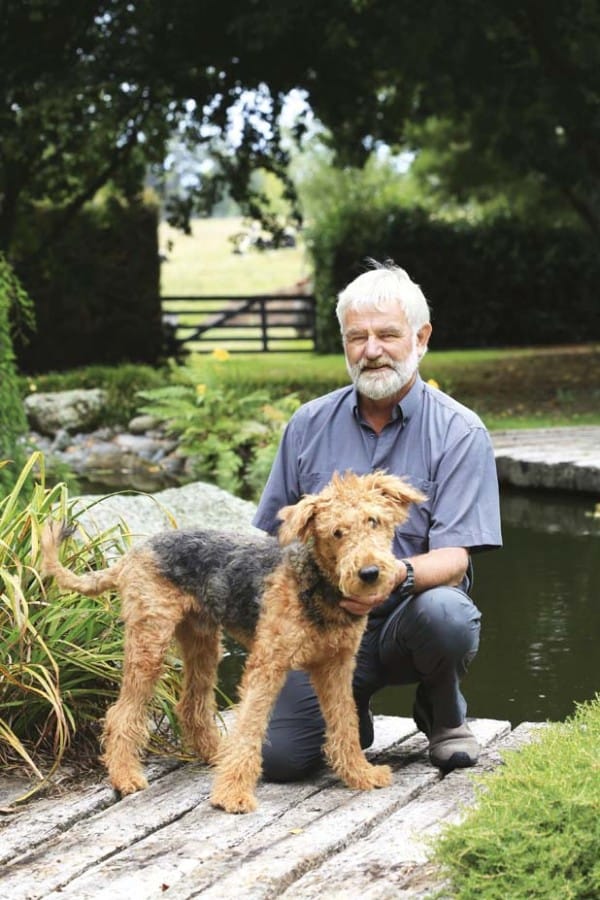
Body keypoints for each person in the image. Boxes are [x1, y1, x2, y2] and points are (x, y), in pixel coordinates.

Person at [252, 259, 502, 779]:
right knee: (280, 760)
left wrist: (394, 578)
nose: (371, 350)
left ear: (421, 337)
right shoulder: (307, 425)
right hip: (322, 624)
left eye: (387, 335)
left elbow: (456, 558)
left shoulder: (460, 431)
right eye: (356, 337)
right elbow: (269, 544)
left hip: (408, 618)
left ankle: (442, 709)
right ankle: (351, 711)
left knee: (448, 615)